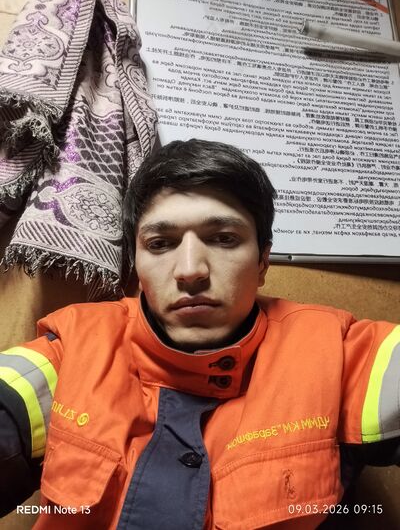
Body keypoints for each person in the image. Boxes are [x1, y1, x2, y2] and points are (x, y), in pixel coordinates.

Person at [0, 139, 399, 529]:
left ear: (262, 261)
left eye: (223, 238)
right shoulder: (74, 349)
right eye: (160, 244)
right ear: (136, 266)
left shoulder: (337, 353)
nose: (190, 270)